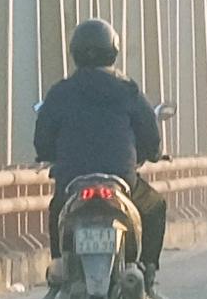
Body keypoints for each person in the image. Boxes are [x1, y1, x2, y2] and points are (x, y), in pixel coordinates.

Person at [24, 17, 167, 283]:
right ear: (113, 51)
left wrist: (47, 154)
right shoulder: (128, 91)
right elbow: (151, 136)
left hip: (72, 180)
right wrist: (153, 153)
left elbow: (42, 140)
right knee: (155, 206)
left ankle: (59, 268)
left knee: (58, 209)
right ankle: (147, 270)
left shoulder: (60, 93)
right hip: (121, 179)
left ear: (75, 52)